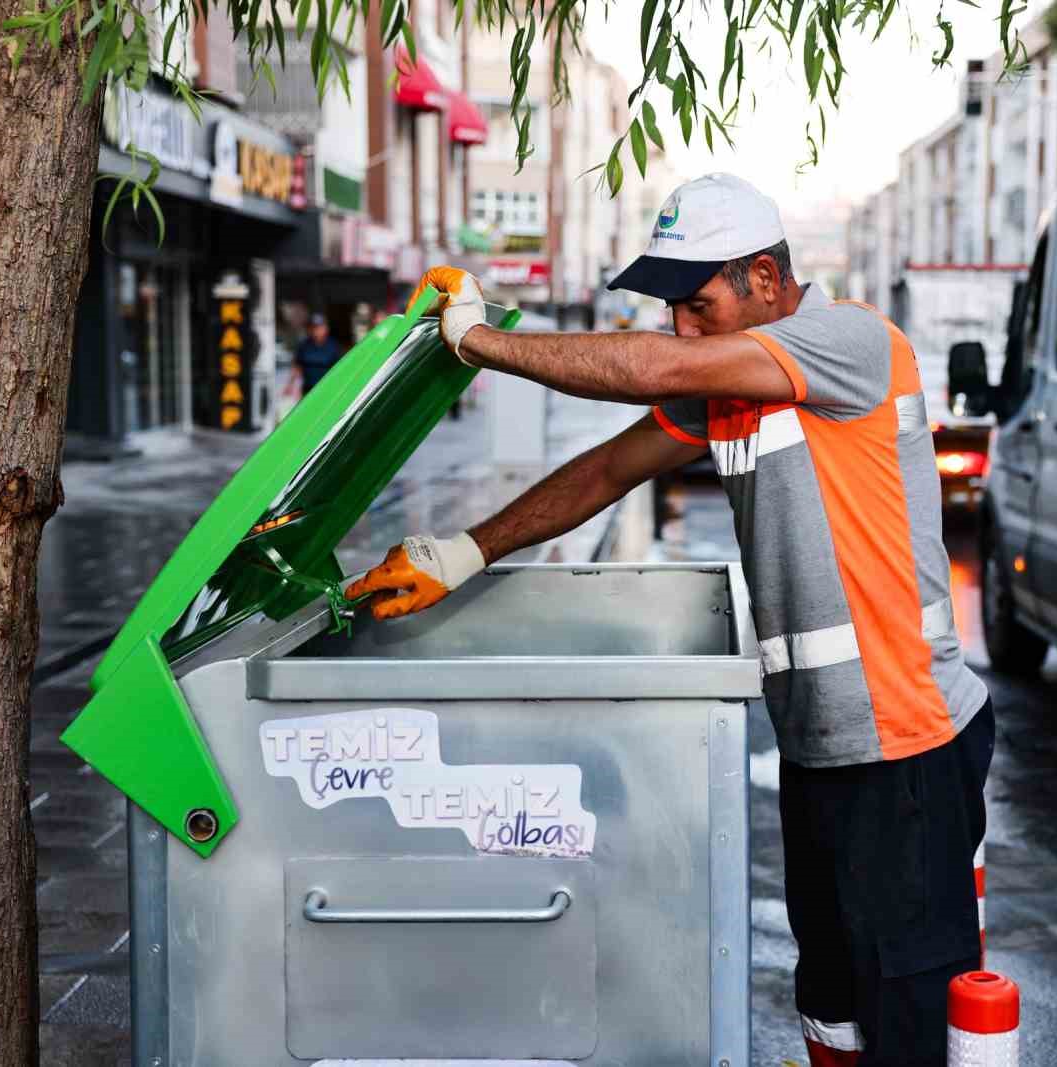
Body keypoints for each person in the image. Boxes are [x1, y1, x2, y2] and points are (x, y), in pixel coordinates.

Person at [349, 173, 994, 1067]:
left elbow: (655, 366)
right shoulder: (734, 385)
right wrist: (462, 553)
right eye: (675, 313)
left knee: (912, 1020)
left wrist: (482, 342)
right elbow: (605, 471)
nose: (683, 330)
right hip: (822, 749)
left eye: (698, 305)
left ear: (766, 278)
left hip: (908, 748)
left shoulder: (849, 342)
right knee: (835, 1008)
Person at [290, 312, 344, 393]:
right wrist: (291, 385)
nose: (316, 331)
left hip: (328, 388)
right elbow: (297, 366)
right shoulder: (304, 345)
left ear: (326, 328)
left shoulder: (333, 346)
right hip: (308, 389)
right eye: (313, 327)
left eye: (319, 327)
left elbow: (340, 369)